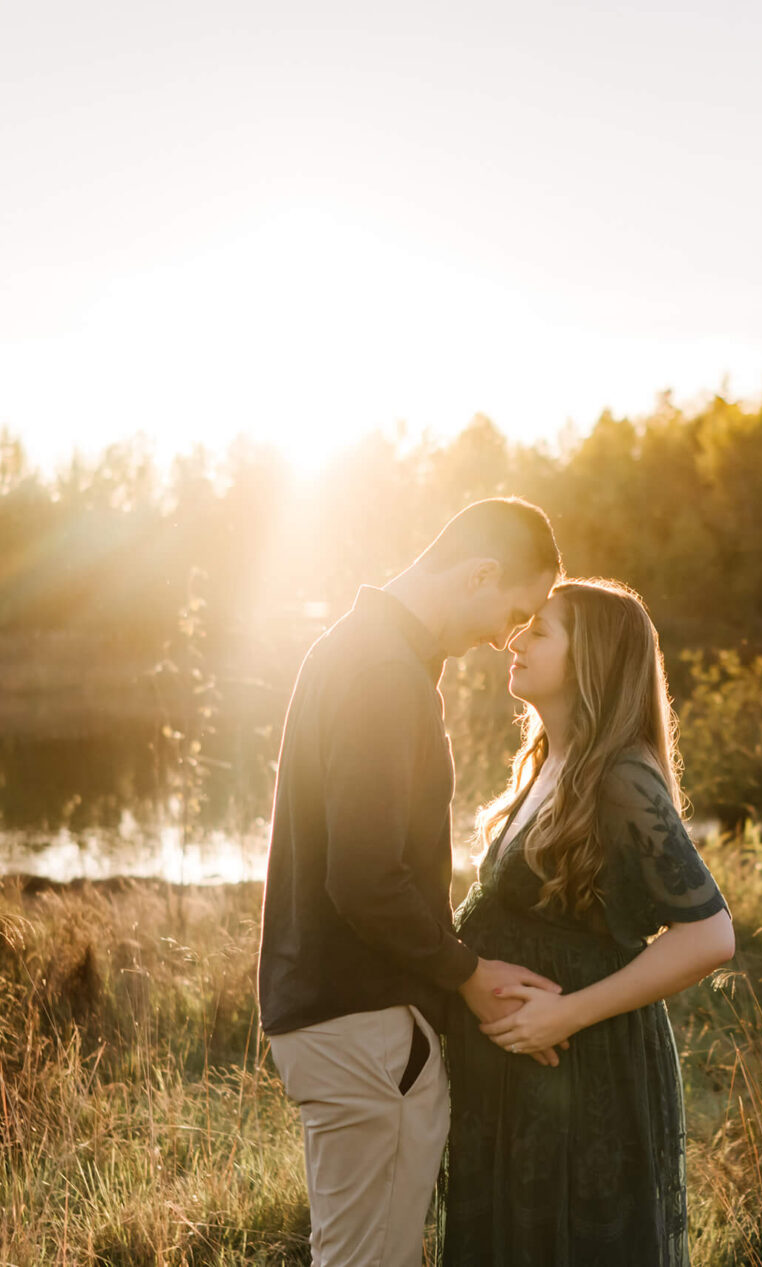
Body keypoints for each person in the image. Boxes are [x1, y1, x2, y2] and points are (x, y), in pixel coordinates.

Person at [258, 497, 567, 1267]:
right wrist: (467, 972)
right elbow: (364, 877)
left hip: (339, 1020)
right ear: (481, 574)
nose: (507, 638)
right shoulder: (381, 673)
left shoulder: (357, 650)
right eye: (515, 612)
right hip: (366, 1025)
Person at [441, 578, 736, 1266]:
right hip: (520, 1079)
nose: (514, 639)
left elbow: (709, 934)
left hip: (583, 1074)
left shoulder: (622, 777)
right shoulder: (547, 760)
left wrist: (566, 1014)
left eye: (539, 631)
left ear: (591, 661)